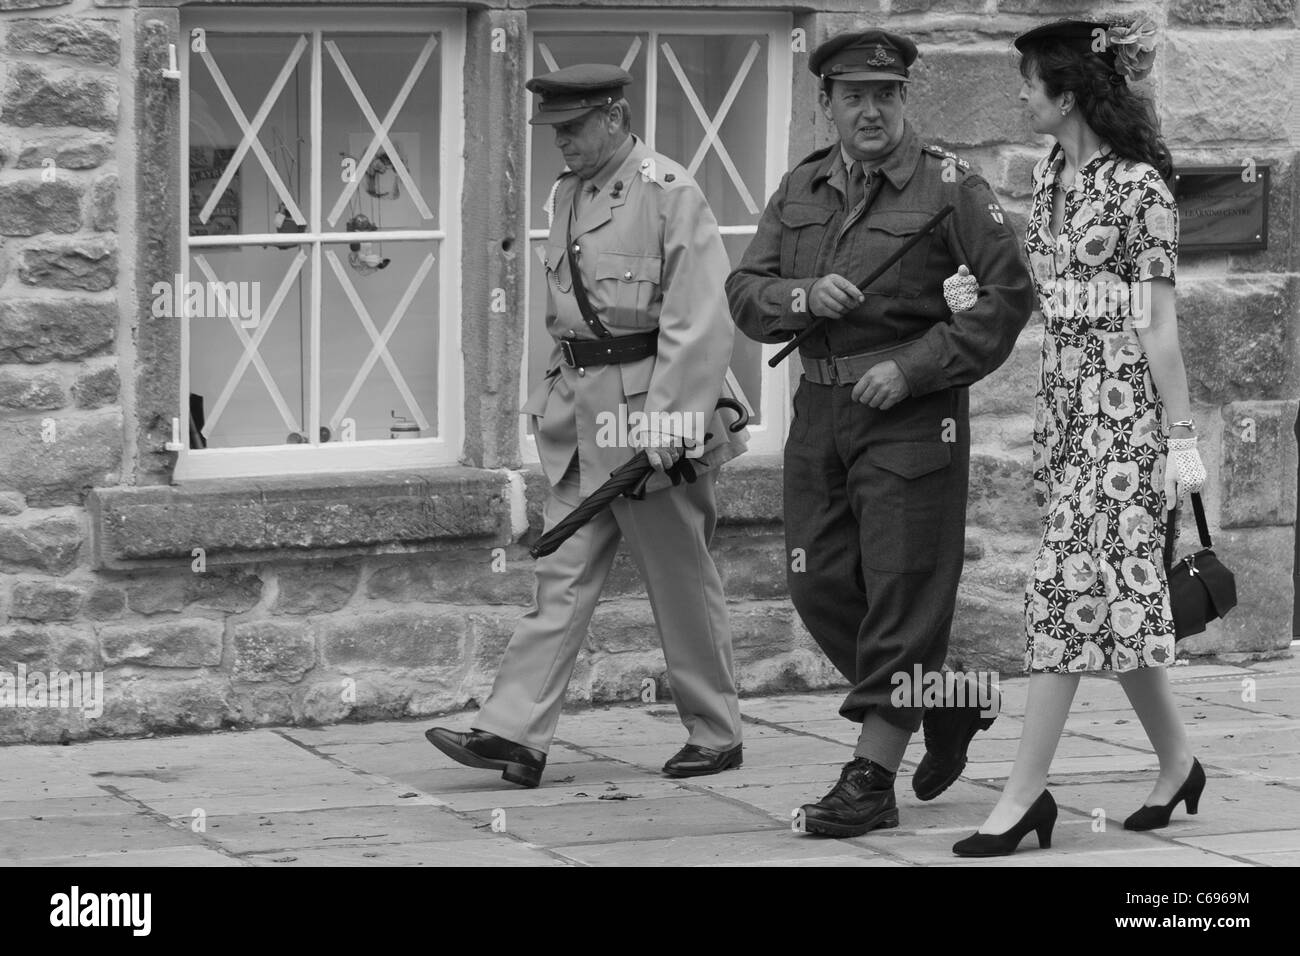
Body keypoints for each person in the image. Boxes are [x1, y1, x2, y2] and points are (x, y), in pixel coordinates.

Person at [726, 30, 1035, 837]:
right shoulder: (802, 185)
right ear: (827, 104)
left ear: (905, 99)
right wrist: (799, 298)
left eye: (886, 94)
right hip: (820, 416)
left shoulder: (949, 186)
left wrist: (916, 367)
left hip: (909, 418)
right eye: (854, 96)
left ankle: (869, 779)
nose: (871, 110)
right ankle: (948, 696)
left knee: (901, 594)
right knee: (817, 582)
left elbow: (1006, 297)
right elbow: (745, 290)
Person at [425, 64, 748, 788]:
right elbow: (568, 316)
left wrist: (671, 424)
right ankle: (514, 733)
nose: (561, 143)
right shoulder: (568, 194)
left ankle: (717, 731)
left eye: (572, 128)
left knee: (679, 578)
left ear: (614, 115)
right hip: (580, 417)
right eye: (554, 131)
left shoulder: (670, 192)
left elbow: (699, 319)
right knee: (560, 572)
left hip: (649, 420)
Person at [953, 16, 1207, 857]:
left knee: (1059, 594)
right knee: (1116, 601)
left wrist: (1180, 438)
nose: (1021, 96)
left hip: (1127, 419)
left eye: (1029, 83)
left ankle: (1023, 797)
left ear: (1065, 95)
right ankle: (1178, 761)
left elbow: (1159, 322)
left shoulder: (1140, 189)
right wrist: (972, 294)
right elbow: (1051, 285)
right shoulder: (1050, 170)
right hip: (1067, 411)